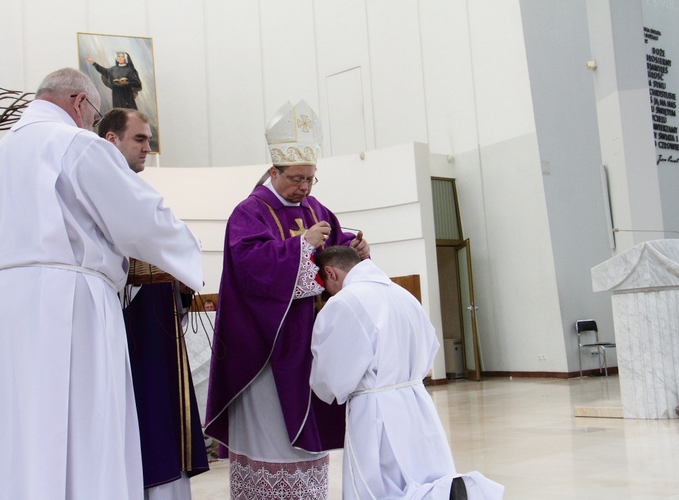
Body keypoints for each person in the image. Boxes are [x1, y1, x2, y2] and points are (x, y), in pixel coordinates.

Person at [0, 68, 203, 499]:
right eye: (93, 116)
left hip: (6, 301)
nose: (91, 124)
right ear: (78, 102)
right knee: (84, 423)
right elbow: (139, 216)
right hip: (70, 300)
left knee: (17, 426)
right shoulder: (74, 144)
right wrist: (188, 250)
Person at [204, 100, 369, 498]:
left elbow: (336, 249)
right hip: (266, 347)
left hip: (306, 345)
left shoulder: (314, 207)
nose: (305, 188)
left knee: (307, 431)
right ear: (274, 171)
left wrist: (357, 251)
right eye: (297, 179)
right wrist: (299, 245)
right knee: (273, 431)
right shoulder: (250, 212)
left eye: (311, 179)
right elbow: (249, 267)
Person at [310, 246, 505, 500]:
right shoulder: (403, 295)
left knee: (380, 487)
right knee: (424, 476)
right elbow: (430, 345)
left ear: (330, 273)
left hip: (376, 410)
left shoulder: (345, 302)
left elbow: (331, 377)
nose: (328, 292)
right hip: (417, 402)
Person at [98, 108, 209, 499]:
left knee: (162, 421)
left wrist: (177, 287)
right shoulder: (103, 190)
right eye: (140, 139)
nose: (149, 148)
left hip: (154, 330)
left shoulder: (137, 191)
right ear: (111, 139)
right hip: (125, 330)